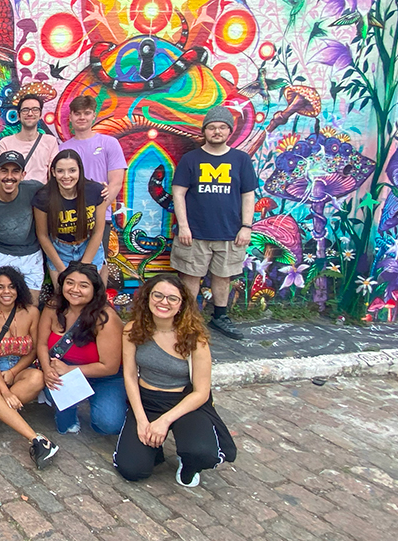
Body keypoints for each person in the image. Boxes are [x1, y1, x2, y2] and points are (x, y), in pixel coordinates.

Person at [113, 274, 237, 486]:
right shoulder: (132, 330)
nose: (164, 302)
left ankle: (189, 463)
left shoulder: (195, 338)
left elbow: (201, 392)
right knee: (132, 469)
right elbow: (130, 376)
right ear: (147, 298)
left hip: (184, 403)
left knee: (203, 453)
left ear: (181, 305)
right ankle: (154, 451)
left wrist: (163, 421)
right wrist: (143, 421)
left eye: (172, 298)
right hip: (147, 400)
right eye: (158, 295)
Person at [170, 105, 257, 340]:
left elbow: (248, 194)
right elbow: (178, 193)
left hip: (229, 232)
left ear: (229, 131)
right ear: (204, 131)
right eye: (211, 127)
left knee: (223, 276)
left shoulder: (241, 160)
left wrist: (246, 227)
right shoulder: (191, 159)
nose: (216, 132)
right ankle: (188, 319)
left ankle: (220, 316)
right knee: (189, 276)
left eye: (221, 127)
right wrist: (184, 226)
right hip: (195, 232)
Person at [0, 267, 56, 470]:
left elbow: (34, 349)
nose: (6, 292)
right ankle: (36, 439)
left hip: (21, 367)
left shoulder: (32, 312)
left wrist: (14, 372)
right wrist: (5, 390)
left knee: (37, 378)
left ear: (18, 289)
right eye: (0, 287)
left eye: (11, 287)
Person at [36, 261, 126, 437]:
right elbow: (41, 344)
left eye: (83, 285)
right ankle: (66, 404)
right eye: (70, 283)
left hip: (104, 377)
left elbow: (110, 366)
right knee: (65, 426)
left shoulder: (106, 318)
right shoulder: (53, 306)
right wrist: (47, 370)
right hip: (62, 369)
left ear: (94, 289)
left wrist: (70, 369)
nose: (75, 289)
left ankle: (104, 400)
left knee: (108, 424)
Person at [33, 149, 107, 284]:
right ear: (53, 172)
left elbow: (98, 231)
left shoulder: (96, 191)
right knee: (63, 293)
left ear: (80, 170)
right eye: (60, 171)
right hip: (60, 249)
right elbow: (43, 235)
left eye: (72, 170)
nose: (66, 176)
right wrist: (63, 270)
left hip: (88, 245)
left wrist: (84, 267)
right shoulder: (43, 197)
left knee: (90, 292)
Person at [0, 150, 45, 293]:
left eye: (15, 171)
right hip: (0, 255)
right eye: (4, 171)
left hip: (31, 255)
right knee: (3, 304)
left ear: (23, 175)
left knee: (31, 305)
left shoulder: (35, 189)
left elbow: (60, 192)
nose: (9, 177)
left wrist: (101, 189)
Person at [60, 95, 128, 223]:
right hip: (70, 218)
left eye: (87, 113)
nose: (82, 117)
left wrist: (97, 210)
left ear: (93, 115)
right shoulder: (61, 149)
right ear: (70, 117)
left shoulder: (109, 143)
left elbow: (116, 182)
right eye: (77, 113)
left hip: (101, 217)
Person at [0, 94, 59, 184]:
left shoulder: (50, 141)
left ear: (40, 115)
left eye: (35, 110)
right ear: (18, 116)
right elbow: (3, 175)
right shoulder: (5, 143)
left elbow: (53, 174)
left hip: (42, 195)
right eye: (25, 110)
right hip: (15, 195)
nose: (30, 113)